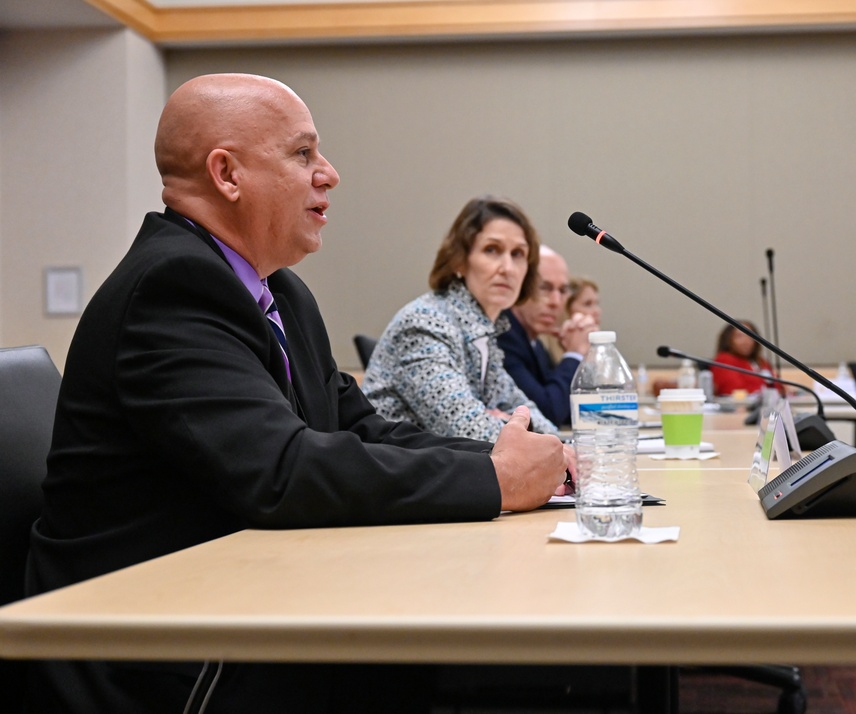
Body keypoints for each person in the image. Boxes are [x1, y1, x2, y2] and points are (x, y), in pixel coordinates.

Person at [24, 74, 572, 714]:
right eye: (303, 153)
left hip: (243, 593)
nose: (330, 174)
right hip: (156, 644)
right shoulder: (171, 288)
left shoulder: (278, 291)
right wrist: (499, 484)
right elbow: (280, 471)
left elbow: (360, 425)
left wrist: (499, 464)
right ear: (227, 174)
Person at [362, 196, 559, 441]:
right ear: (460, 261)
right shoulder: (425, 322)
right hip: (399, 475)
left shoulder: (485, 333)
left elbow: (524, 410)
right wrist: (517, 430)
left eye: (518, 254)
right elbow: (469, 431)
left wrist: (558, 444)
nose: (507, 268)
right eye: (492, 250)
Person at [498, 247, 598, 426]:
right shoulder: (504, 337)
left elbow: (568, 410)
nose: (556, 302)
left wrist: (580, 356)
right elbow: (547, 412)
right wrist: (573, 355)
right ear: (519, 287)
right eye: (544, 288)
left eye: (562, 290)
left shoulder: (533, 341)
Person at [710, 320, 778, 396]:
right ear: (728, 339)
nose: (746, 341)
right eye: (739, 336)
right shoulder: (723, 360)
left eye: (750, 336)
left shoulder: (761, 361)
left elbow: (778, 387)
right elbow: (732, 389)